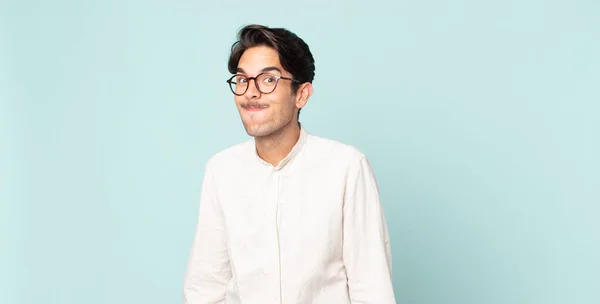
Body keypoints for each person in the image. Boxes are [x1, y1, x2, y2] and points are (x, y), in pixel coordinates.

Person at [183, 24, 395, 304]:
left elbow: (371, 286)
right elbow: (206, 284)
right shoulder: (222, 170)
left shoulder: (346, 167)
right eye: (243, 80)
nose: (250, 92)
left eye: (268, 80)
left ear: (302, 94)